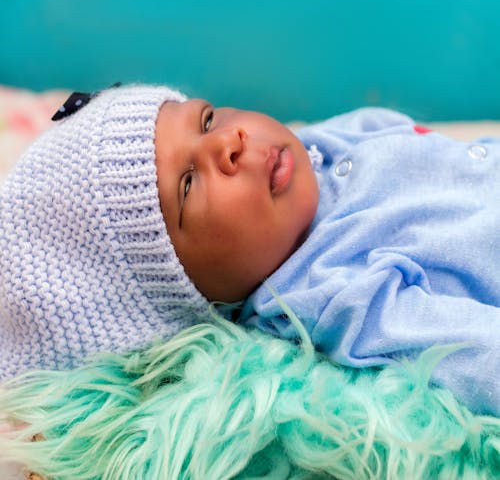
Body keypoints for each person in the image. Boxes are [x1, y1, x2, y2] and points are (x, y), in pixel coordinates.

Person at [0, 84, 498, 418]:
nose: (230, 141)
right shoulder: (326, 292)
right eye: (189, 184)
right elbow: (472, 353)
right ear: (194, 294)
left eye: (206, 119)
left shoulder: (322, 142)